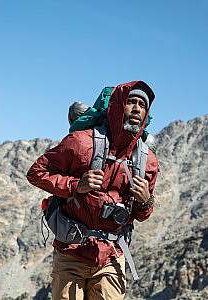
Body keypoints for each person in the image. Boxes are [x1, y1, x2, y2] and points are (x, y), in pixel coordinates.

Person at [27, 81, 159, 300]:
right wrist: (76, 185)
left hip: (112, 257)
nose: (137, 109)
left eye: (142, 105)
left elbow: (141, 215)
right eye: (131, 102)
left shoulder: (148, 162)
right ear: (117, 106)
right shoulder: (80, 143)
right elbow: (36, 173)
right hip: (71, 253)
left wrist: (146, 201)